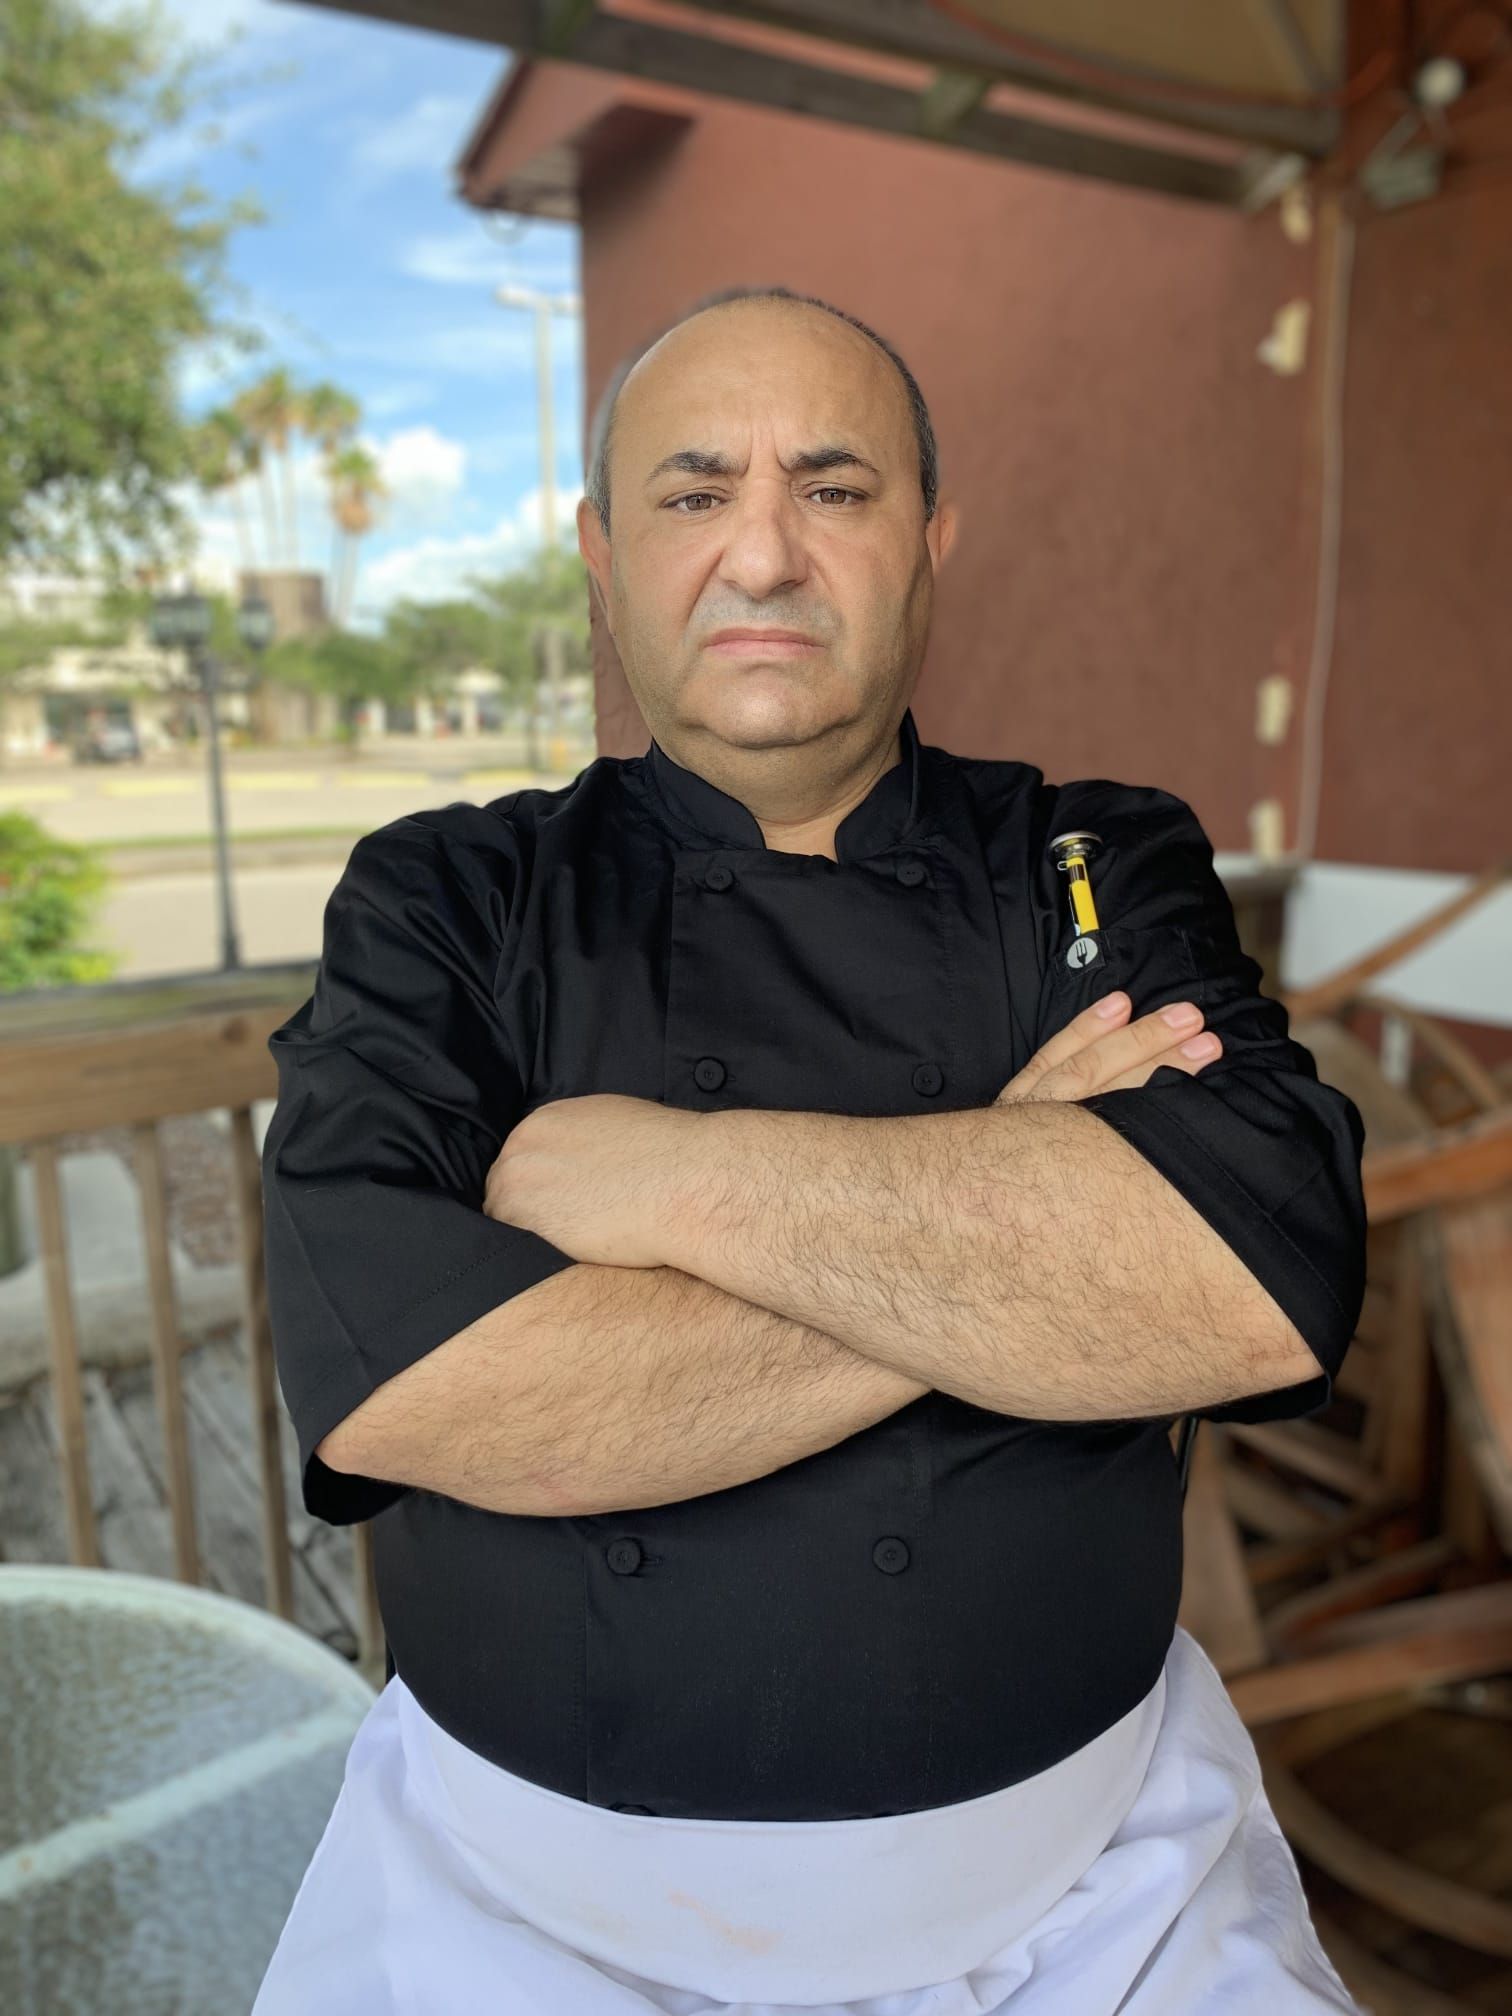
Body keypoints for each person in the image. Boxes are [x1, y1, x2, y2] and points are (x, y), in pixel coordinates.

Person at [252, 286, 1368, 2014]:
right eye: (695, 493)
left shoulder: (1090, 856)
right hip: (515, 1928)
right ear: (604, 553)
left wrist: (674, 1181)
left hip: (1103, 1909)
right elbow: (401, 1384)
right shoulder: (450, 895)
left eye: (834, 489)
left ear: (930, 542)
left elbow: (1258, 1278)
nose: (765, 555)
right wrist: (1016, 1209)